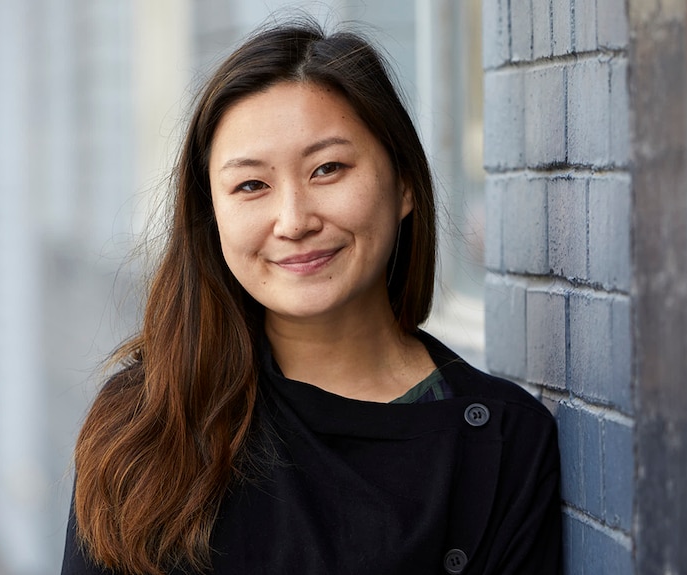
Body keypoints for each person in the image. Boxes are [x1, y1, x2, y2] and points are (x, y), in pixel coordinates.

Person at [61, 18, 561, 575]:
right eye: (251, 185)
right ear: (212, 216)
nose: (294, 221)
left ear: (405, 185)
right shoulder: (145, 420)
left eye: (328, 169)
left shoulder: (500, 443)